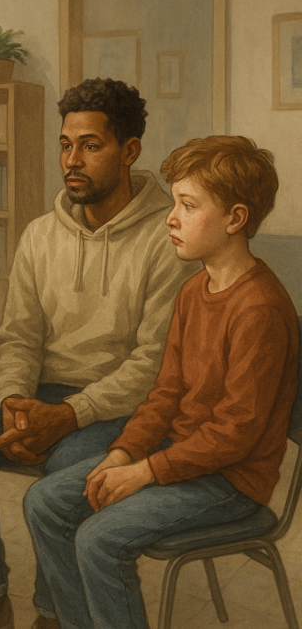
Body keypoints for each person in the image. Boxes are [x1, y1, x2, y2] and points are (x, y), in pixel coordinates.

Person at [0, 77, 198, 629]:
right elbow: (18, 335)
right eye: (65, 144)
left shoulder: (167, 240)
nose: (72, 160)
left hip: (124, 409)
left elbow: (152, 366)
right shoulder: (39, 234)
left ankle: (54, 613)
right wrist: (14, 400)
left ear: (129, 151)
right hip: (46, 394)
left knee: (65, 468)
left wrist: (69, 415)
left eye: (90, 146)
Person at [24, 135, 298, 629]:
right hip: (182, 454)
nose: (170, 218)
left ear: (236, 219)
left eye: (188, 206)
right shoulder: (194, 290)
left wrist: (146, 472)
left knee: (98, 537)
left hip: (231, 480)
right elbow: (166, 393)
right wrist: (123, 453)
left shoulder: (261, 310)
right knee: (44, 501)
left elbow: (236, 434)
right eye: (173, 203)